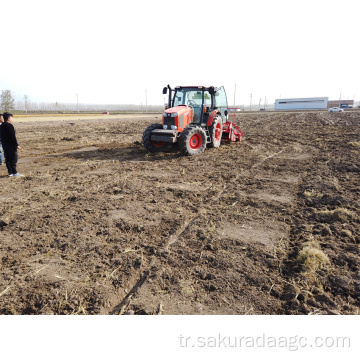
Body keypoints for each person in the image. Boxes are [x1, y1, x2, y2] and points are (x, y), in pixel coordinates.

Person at [0, 112, 23, 177]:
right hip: (11, 145)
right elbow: (12, 137)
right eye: (11, 117)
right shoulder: (9, 126)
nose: (12, 119)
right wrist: (16, 145)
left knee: (8, 159)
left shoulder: (1, 126)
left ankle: (10, 172)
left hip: (5, 145)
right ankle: (14, 172)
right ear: (8, 118)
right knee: (13, 159)